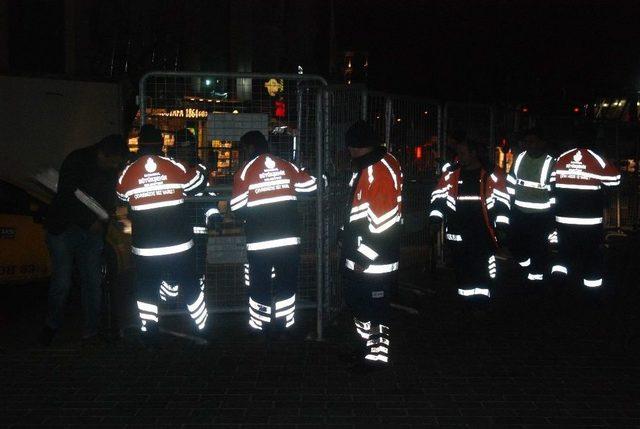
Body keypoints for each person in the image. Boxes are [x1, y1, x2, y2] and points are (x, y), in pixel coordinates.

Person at [116, 125, 209, 340]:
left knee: (147, 289)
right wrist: (203, 167)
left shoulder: (127, 173)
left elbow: (121, 197)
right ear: (162, 144)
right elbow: (196, 184)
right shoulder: (174, 166)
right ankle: (201, 327)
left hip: (145, 247)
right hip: (178, 244)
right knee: (190, 284)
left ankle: (150, 333)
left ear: (139, 145)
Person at [39, 134, 128, 346]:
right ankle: (52, 326)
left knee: (92, 282)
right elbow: (67, 196)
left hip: (91, 231)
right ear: (103, 154)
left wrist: (102, 222)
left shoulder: (108, 166)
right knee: (62, 281)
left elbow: (108, 200)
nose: (117, 166)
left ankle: (90, 331)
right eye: (115, 161)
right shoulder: (77, 160)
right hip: (64, 228)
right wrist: (92, 222)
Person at [230, 130, 316, 337]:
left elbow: (237, 209)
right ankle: (284, 325)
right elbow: (311, 186)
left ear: (249, 148)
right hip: (289, 239)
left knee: (260, 283)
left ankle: (262, 327)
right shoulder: (286, 165)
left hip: (260, 242)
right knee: (286, 282)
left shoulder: (244, 172)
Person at [341, 120, 403, 368]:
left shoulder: (377, 171)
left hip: (373, 260)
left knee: (374, 308)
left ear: (356, 147)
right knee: (362, 305)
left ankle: (376, 357)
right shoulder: (379, 163)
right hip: (367, 254)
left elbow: (383, 224)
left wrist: (363, 257)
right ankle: (366, 348)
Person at [428, 137, 510, 301]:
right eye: (458, 153)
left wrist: (501, 227)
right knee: (462, 269)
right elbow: (438, 198)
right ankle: (466, 303)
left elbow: (502, 203)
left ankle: (481, 304)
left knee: (483, 269)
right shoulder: (451, 174)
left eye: (463, 153)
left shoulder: (492, 174)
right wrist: (435, 220)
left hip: (482, 233)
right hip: (458, 232)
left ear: (474, 153)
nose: (459, 157)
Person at [549, 129, 620, 290]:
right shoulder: (597, 159)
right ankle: (591, 292)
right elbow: (614, 180)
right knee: (591, 255)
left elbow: (552, 182)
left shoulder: (562, 158)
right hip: (589, 221)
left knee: (564, 252)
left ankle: (558, 286)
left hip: (563, 219)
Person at [159, 129, 220, 302]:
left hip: (195, 228)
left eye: (189, 148)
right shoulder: (171, 168)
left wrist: (213, 215)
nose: (186, 152)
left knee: (197, 268)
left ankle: (193, 300)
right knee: (172, 268)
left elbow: (211, 197)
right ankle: (171, 302)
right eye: (183, 148)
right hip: (174, 228)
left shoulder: (198, 169)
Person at [506, 127, 555, 284]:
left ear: (542, 143)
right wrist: (509, 204)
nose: (530, 145)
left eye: (533, 141)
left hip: (541, 215)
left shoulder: (550, 162)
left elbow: (554, 191)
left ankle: (536, 280)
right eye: (527, 141)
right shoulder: (520, 158)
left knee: (538, 248)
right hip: (519, 213)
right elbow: (511, 181)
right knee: (515, 244)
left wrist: (553, 215)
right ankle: (527, 268)